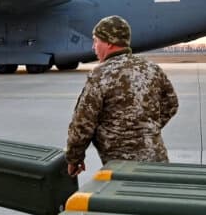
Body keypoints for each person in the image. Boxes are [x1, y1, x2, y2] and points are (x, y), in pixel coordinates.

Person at [65, 15, 178, 176]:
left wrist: (74, 159)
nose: (93, 47)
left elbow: (82, 124)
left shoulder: (100, 75)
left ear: (109, 42)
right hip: (156, 159)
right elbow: (171, 104)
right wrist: (147, 128)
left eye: (96, 41)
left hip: (122, 166)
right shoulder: (151, 68)